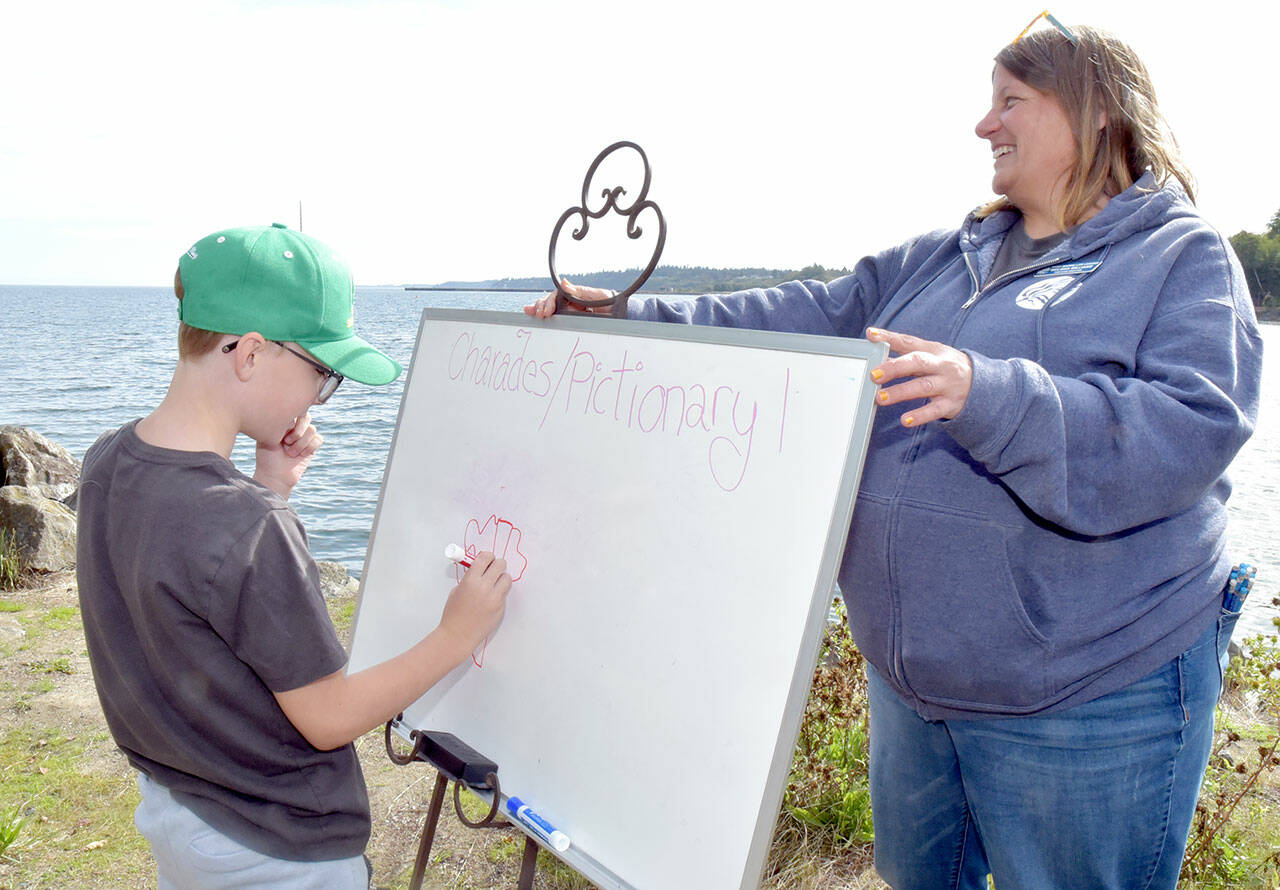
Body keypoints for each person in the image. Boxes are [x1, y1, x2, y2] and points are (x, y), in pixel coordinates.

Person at [526, 19, 1262, 889]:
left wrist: (992, 394)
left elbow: (1189, 428)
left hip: (1087, 695)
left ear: (1095, 115)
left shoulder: (1181, 255)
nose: (984, 126)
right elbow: (794, 316)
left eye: (1009, 103)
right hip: (914, 691)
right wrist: (628, 319)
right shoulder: (944, 256)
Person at [76, 223, 512, 889]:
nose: (318, 397)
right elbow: (328, 718)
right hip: (281, 854)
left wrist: (269, 479)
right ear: (251, 353)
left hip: (184, 818)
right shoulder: (246, 525)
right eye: (323, 373)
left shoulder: (107, 461)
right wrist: (457, 633)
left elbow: (190, 596)